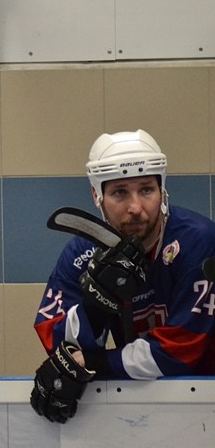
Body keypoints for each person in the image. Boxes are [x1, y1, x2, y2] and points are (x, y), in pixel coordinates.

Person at [31, 129, 215, 424]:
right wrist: (94, 307)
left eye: (147, 190)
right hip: (135, 405)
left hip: (205, 401)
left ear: (162, 190)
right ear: (97, 196)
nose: (136, 208)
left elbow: (179, 353)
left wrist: (94, 363)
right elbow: (57, 342)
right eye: (119, 192)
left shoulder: (198, 241)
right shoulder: (81, 253)